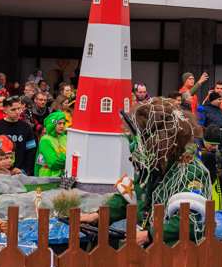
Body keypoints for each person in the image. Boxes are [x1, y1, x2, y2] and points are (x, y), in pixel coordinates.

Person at [80, 98, 212, 245]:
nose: (136, 149)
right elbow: (131, 196)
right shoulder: (152, 166)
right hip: (143, 249)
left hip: (172, 254)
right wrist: (98, 216)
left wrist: (148, 235)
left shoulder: (192, 172)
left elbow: (189, 222)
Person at [0, 96, 37, 174]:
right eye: (13, 109)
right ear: (5, 110)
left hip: (20, 172)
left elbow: (31, 151)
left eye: (18, 109)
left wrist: (25, 170)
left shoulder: (26, 127)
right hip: (0, 173)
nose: (17, 112)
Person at [35, 112, 67, 180]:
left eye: (63, 123)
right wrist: (66, 158)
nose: (62, 126)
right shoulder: (45, 139)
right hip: (48, 176)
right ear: (52, 123)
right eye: (59, 123)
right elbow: (53, 163)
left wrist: (60, 157)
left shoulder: (66, 138)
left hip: (65, 176)